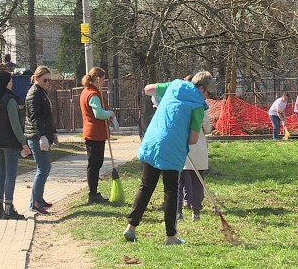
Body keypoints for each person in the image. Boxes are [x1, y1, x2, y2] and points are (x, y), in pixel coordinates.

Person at [123, 71, 216, 245]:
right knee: (171, 191)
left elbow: (148, 89)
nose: (207, 97)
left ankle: (131, 228)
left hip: (153, 141)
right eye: (208, 93)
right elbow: (194, 139)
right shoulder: (197, 105)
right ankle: (171, 236)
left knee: (146, 186)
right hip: (172, 149)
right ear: (202, 88)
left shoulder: (174, 85)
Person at [0, 71, 31, 220]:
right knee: (10, 175)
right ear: (7, 82)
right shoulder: (10, 100)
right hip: (9, 143)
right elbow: (15, 124)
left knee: (0, 174)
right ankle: (9, 208)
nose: (12, 83)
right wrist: (23, 142)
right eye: (11, 80)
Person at [25, 66, 58, 214]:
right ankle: (35, 204)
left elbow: (48, 116)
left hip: (43, 135)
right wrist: (42, 136)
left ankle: (39, 199)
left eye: (48, 80)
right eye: (45, 79)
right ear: (37, 78)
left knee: (46, 168)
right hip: (36, 136)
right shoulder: (34, 94)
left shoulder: (42, 92)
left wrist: (53, 131)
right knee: (42, 169)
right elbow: (35, 118)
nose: (47, 82)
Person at [80, 67, 115, 204]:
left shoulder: (87, 91)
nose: (104, 82)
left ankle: (94, 192)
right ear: (98, 79)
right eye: (104, 79)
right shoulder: (92, 94)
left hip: (95, 133)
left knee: (95, 163)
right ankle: (92, 194)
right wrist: (110, 114)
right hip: (94, 133)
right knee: (94, 164)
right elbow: (98, 113)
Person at [177, 107, 212, 222]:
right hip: (197, 146)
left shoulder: (177, 101)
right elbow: (207, 128)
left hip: (179, 146)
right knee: (197, 182)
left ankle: (178, 213)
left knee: (178, 182)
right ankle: (196, 212)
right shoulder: (200, 104)